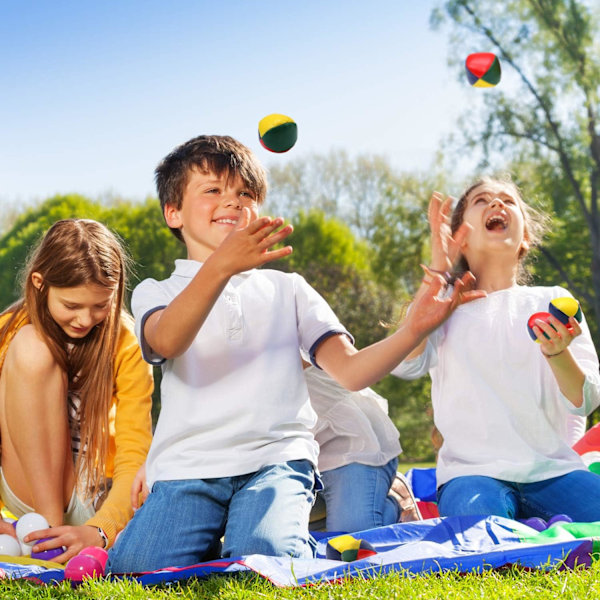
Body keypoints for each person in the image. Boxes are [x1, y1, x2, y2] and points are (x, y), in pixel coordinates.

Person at [106, 134, 483, 573]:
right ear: (173, 213)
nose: (232, 202)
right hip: (189, 467)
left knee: (265, 562)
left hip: (276, 461)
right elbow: (167, 341)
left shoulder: (289, 289)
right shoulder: (157, 291)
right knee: (132, 570)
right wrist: (223, 265)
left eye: (245, 193)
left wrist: (414, 327)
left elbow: (351, 373)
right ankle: (215, 530)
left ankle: (290, 521)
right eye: (212, 190)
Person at [392, 176, 600, 522]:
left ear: (526, 237)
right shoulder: (445, 305)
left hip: (553, 472)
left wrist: (557, 354)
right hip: (471, 475)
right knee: (478, 538)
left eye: (508, 200)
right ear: (461, 237)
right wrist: (439, 272)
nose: (496, 204)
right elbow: (405, 364)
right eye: (481, 200)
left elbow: (585, 401)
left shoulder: (553, 300)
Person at [0, 219, 153, 562]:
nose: (85, 319)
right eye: (72, 306)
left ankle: (50, 541)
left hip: (91, 496)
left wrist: (100, 530)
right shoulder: (9, 331)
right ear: (39, 284)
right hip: (24, 487)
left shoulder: (126, 342)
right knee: (30, 345)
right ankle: (47, 532)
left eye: (101, 306)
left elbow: (134, 453)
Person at [304, 362, 421, 532]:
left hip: (349, 447)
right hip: (296, 457)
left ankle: (395, 503)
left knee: (352, 540)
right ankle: (325, 521)